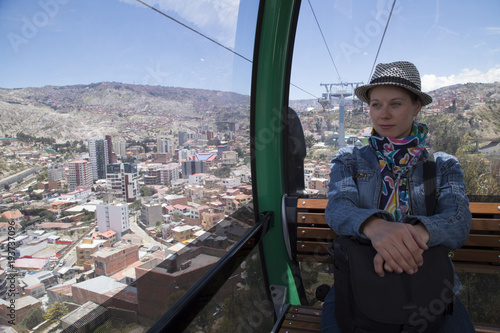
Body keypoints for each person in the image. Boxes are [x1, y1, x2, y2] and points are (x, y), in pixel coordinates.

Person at [321, 61, 475, 332]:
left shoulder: (443, 166)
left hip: (429, 282)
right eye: (376, 105)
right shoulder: (349, 160)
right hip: (360, 278)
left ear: (416, 106)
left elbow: (457, 221)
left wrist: (403, 241)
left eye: (395, 104)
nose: (383, 114)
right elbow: (338, 208)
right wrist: (377, 227)